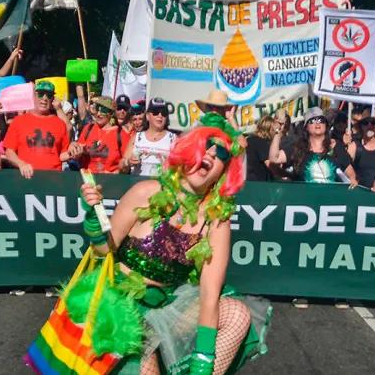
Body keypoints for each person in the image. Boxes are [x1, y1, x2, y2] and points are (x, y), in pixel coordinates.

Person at [59, 125, 270, 374]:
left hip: (169, 309)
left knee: (237, 314)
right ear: (189, 151)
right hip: (122, 308)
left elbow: (209, 294)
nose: (212, 154)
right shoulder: (146, 192)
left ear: (224, 172)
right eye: (205, 147)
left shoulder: (216, 221)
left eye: (221, 154)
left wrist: (204, 360)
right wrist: (94, 220)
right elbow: (104, 251)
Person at [269, 107, 357, 185]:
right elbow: (274, 159)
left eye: (321, 120)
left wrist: (352, 179)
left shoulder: (335, 146)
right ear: (306, 127)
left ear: (326, 125)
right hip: (304, 199)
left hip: (331, 200)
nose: (317, 123)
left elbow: (349, 171)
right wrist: (277, 133)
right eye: (312, 121)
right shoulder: (297, 147)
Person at [3, 80, 70, 177]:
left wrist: (75, 153)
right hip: (26, 178)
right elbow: (9, 152)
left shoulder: (60, 123)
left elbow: (62, 154)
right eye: (41, 94)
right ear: (33, 96)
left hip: (53, 179)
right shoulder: (18, 121)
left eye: (49, 95)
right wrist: (21, 164)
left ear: (52, 99)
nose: (44, 98)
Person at [122, 97, 177, 177]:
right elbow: (122, 165)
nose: (160, 115)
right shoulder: (137, 137)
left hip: (161, 186)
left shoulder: (173, 139)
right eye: (155, 112)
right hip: (139, 185)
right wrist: (128, 162)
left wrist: (171, 166)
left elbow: (181, 167)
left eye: (164, 113)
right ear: (147, 116)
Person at [73, 96, 126, 174]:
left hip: (111, 182)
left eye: (103, 110)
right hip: (88, 180)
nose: (98, 114)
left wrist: (114, 173)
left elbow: (126, 165)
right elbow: (78, 150)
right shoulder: (88, 128)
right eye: (97, 109)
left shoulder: (121, 133)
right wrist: (75, 148)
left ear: (111, 113)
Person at [245, 114, 278, 181]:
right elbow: (269, 164)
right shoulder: (262, 142)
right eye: (275, 130)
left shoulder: (249, 140)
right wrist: (284, 175)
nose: (275, 132)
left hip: (246, 180)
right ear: (270, 130)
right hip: (258, 183)